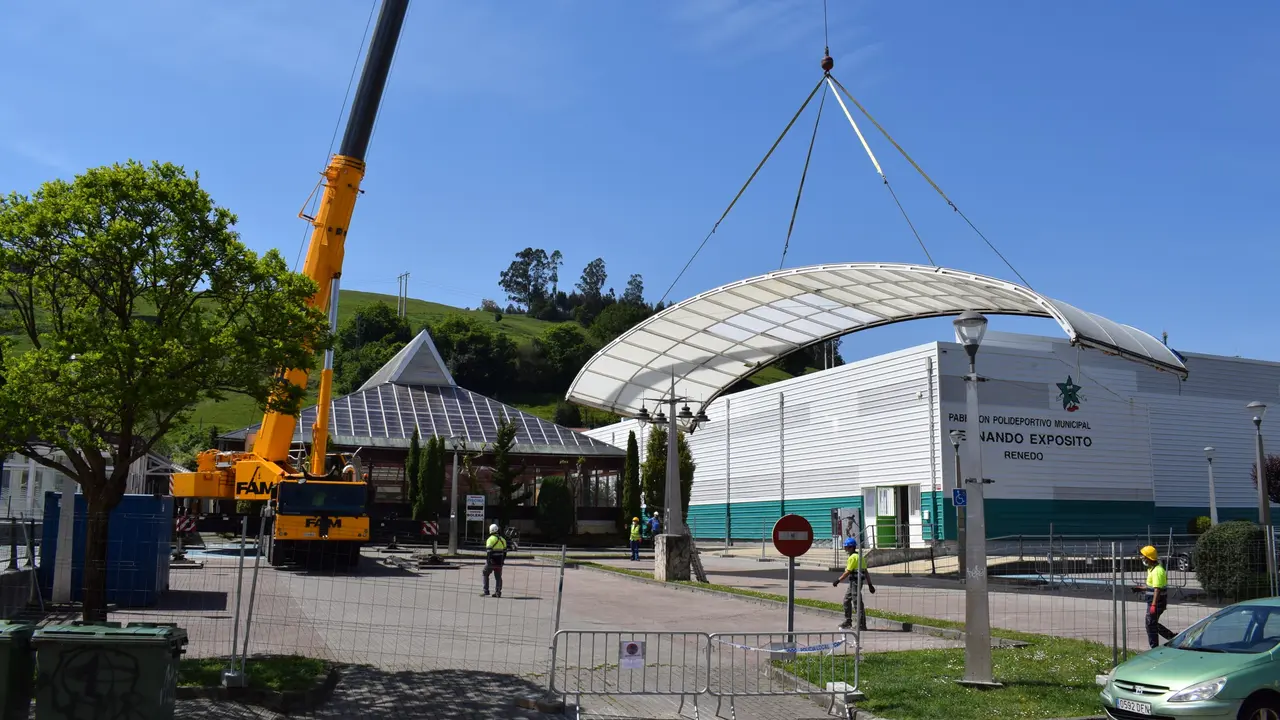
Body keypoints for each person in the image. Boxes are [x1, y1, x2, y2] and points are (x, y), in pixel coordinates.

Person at [1136, 545, 1176, 648]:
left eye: (1143, 556)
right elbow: (1153, 586)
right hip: (1153, 601)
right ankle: (1172, 637)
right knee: (1151, 623)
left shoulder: (1158, 571)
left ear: (1149, 558)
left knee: (1150, 624)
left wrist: (1153, 605)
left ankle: (1154, 647)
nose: (1142, 558)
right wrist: (1141, 588)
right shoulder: (1151, 569)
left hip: (1157, 602)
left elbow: (1157, 589)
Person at [832, 537, 875, 631]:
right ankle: (848, 621)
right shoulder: (860, 556)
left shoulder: (852, 558)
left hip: (855, 583)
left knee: (857, 603)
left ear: (851, 547)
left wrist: (838, 580)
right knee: (846, 600)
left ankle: (861, 625)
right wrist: (870, 584)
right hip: (855, 582)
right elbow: (866, 571)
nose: (845, 549)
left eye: (846, 547)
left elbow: (847, 572)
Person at [482, 523, 508, 598]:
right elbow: (505, 553)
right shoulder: (503, 540)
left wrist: (488, 561)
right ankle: (498, 592)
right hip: (499, 562)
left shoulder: (490, 539)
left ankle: (486, 591)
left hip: (491, 562)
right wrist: (503, 561)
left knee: (485, 573)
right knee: (498, 577)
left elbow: (489, 552)